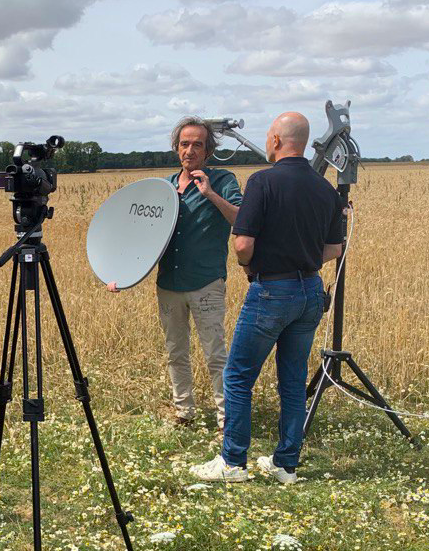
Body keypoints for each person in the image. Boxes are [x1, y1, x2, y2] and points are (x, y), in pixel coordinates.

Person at [192, 112, 344, 484]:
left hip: (271, 290)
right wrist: (302, 260)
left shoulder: (262, 182)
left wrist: (251, 267)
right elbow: (335, 247)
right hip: (310, 291)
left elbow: (243, 244)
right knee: (292, 380)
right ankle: (285, 464)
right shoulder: (326, 189)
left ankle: (233, 463)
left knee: (239, 376)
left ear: (275, 140)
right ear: (304, 143)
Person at [109, 116, 242, 430]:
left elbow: (241, 219)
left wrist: (209, 193)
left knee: (215, 354)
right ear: (176, 148)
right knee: (175, 351)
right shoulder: (163, 189)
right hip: (169, 284)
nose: (190, 150)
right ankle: (184, 412)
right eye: (185, 144)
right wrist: (119, 272)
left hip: (206, 283)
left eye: (198, 144)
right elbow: (138, 235)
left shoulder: (223, 180)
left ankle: (226, 418)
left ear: (208, 150)